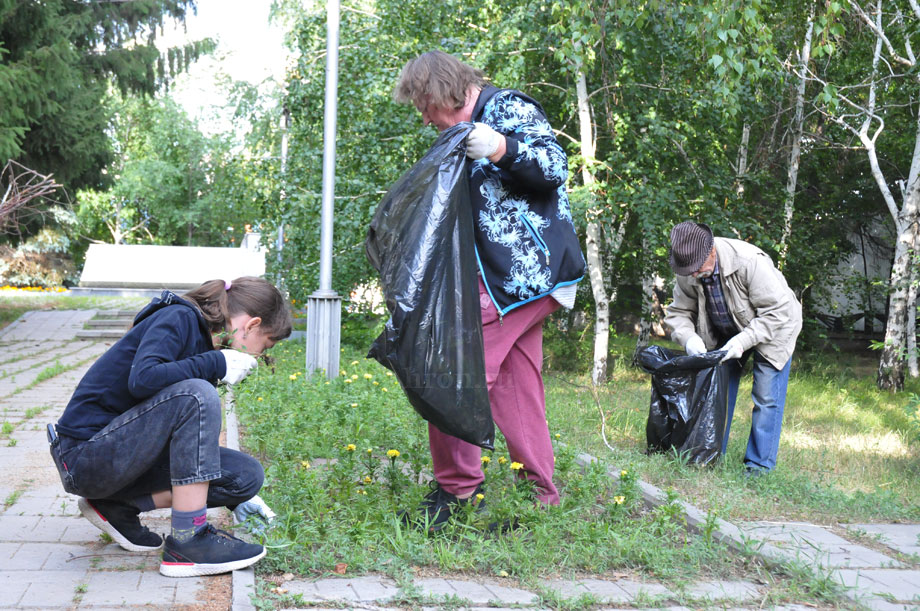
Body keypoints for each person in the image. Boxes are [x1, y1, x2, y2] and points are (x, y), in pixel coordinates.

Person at [393, 50, 586, 528]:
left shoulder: (506, 111)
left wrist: (501, 147)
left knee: (450, 368)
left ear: (443, 92)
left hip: (522, 274)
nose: (424, 118)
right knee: (516, 387)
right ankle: (540, 493)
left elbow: (554, 167)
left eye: (425, 105)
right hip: (509, 279)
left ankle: (457, 493)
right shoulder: (457, 130)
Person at [50, 276, 292, 576]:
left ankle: (118, 506)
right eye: (265, 345)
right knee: (197, 394)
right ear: (252, 325)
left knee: (244, 477)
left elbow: (179, 434)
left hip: (124, 455)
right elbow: (143, 380)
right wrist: (215, 363)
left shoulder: (204, 341)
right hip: (85, 457)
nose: (258, 356)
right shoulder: (178, 316)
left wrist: (235, 499)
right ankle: (190, 542)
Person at [664, 221, 802, 476]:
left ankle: (759, 466)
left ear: (712, 251)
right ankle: (712, 453)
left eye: (696, 268)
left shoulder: (749, 261)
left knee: (766, 396)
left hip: (774, 327)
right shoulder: (689, 268)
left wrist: (742, 342)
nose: (692, 275)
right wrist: (689, 339)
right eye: (687, 269)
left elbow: (776, 312)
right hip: (725, 330)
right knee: (716, 391)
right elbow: (679, 313)